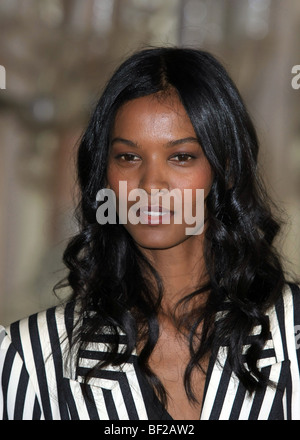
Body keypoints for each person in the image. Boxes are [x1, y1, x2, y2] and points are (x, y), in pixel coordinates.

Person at [0, 47, 299, 421]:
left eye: (181, 157)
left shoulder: (291, 331)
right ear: (103, 174)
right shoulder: (33, 356)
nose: (150, 185)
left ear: (226, 169)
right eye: (128, 157)